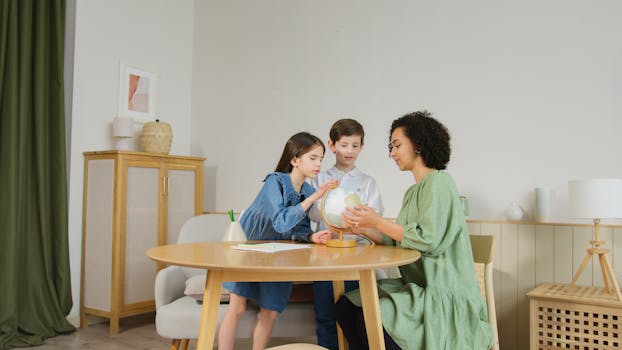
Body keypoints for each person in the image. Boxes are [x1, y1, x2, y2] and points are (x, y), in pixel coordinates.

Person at [337, 111, 493, 350]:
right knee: (347, 306)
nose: (392, 153)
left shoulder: (441, 183)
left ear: (418, 144)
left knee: (368, 317)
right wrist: (363, 229)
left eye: (397, 145)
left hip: (441, 293)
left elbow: (427, 239)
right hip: (418, 288)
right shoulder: (413, 192)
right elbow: (399, 239)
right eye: (391, 147)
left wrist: (377, 221)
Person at [217, 132, 338, 350]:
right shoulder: (274, 182)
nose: (319, 164)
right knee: (236, 307)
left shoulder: (308, 190)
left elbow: (297, 229)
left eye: (321, 158)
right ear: (294, 160)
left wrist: (311, 236)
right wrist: (315, 197)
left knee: (270, 311)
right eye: (313, 158)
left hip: (278, 255)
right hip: (248, 249)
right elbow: (281, 222)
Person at [308, 118, 383, 350]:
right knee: (326, 316)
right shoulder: (319, 178)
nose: (349, 151)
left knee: (354, 317)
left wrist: (356, 221)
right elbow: (311, 214)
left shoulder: (367, 182)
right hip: (324, 258)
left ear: (361, 146)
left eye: (355, 145)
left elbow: (376, 216)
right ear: (332, 145)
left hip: (357, 256)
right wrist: (325, 201)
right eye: (343, 145)